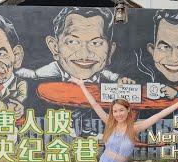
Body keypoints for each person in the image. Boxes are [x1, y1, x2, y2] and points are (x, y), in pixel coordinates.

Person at [16, 7, 134, 137]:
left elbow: (115, 78)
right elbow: (34, 74)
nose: (84, 54)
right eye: (72, 41)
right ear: (55, 47)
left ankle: (86, 130)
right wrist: (15, 70)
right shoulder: (45, 78)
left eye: (96, 43)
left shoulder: (106, 79)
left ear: (110, 51)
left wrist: (122, 81)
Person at [69, 77, 178, 162]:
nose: (118, 114)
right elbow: (94, 104)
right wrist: (81, 85)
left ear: (128, 110)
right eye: (115, 111)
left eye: (121, 110)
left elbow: (158, 115)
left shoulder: (135, 128)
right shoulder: (110, 123)